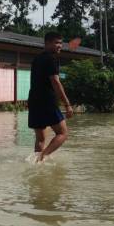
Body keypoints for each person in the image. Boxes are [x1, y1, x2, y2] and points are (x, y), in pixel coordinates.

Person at [28, 31, 74, 162]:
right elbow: (56, 82)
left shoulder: (37, 59)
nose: (60, 46)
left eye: (61, 43)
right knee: (63, 133)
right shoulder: (51, 59)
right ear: (47, 43)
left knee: (40, 139)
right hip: (47, 101)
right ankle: (43, 157)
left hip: (34, 101)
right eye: (56, 43)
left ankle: (37, 164)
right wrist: (67, 104)